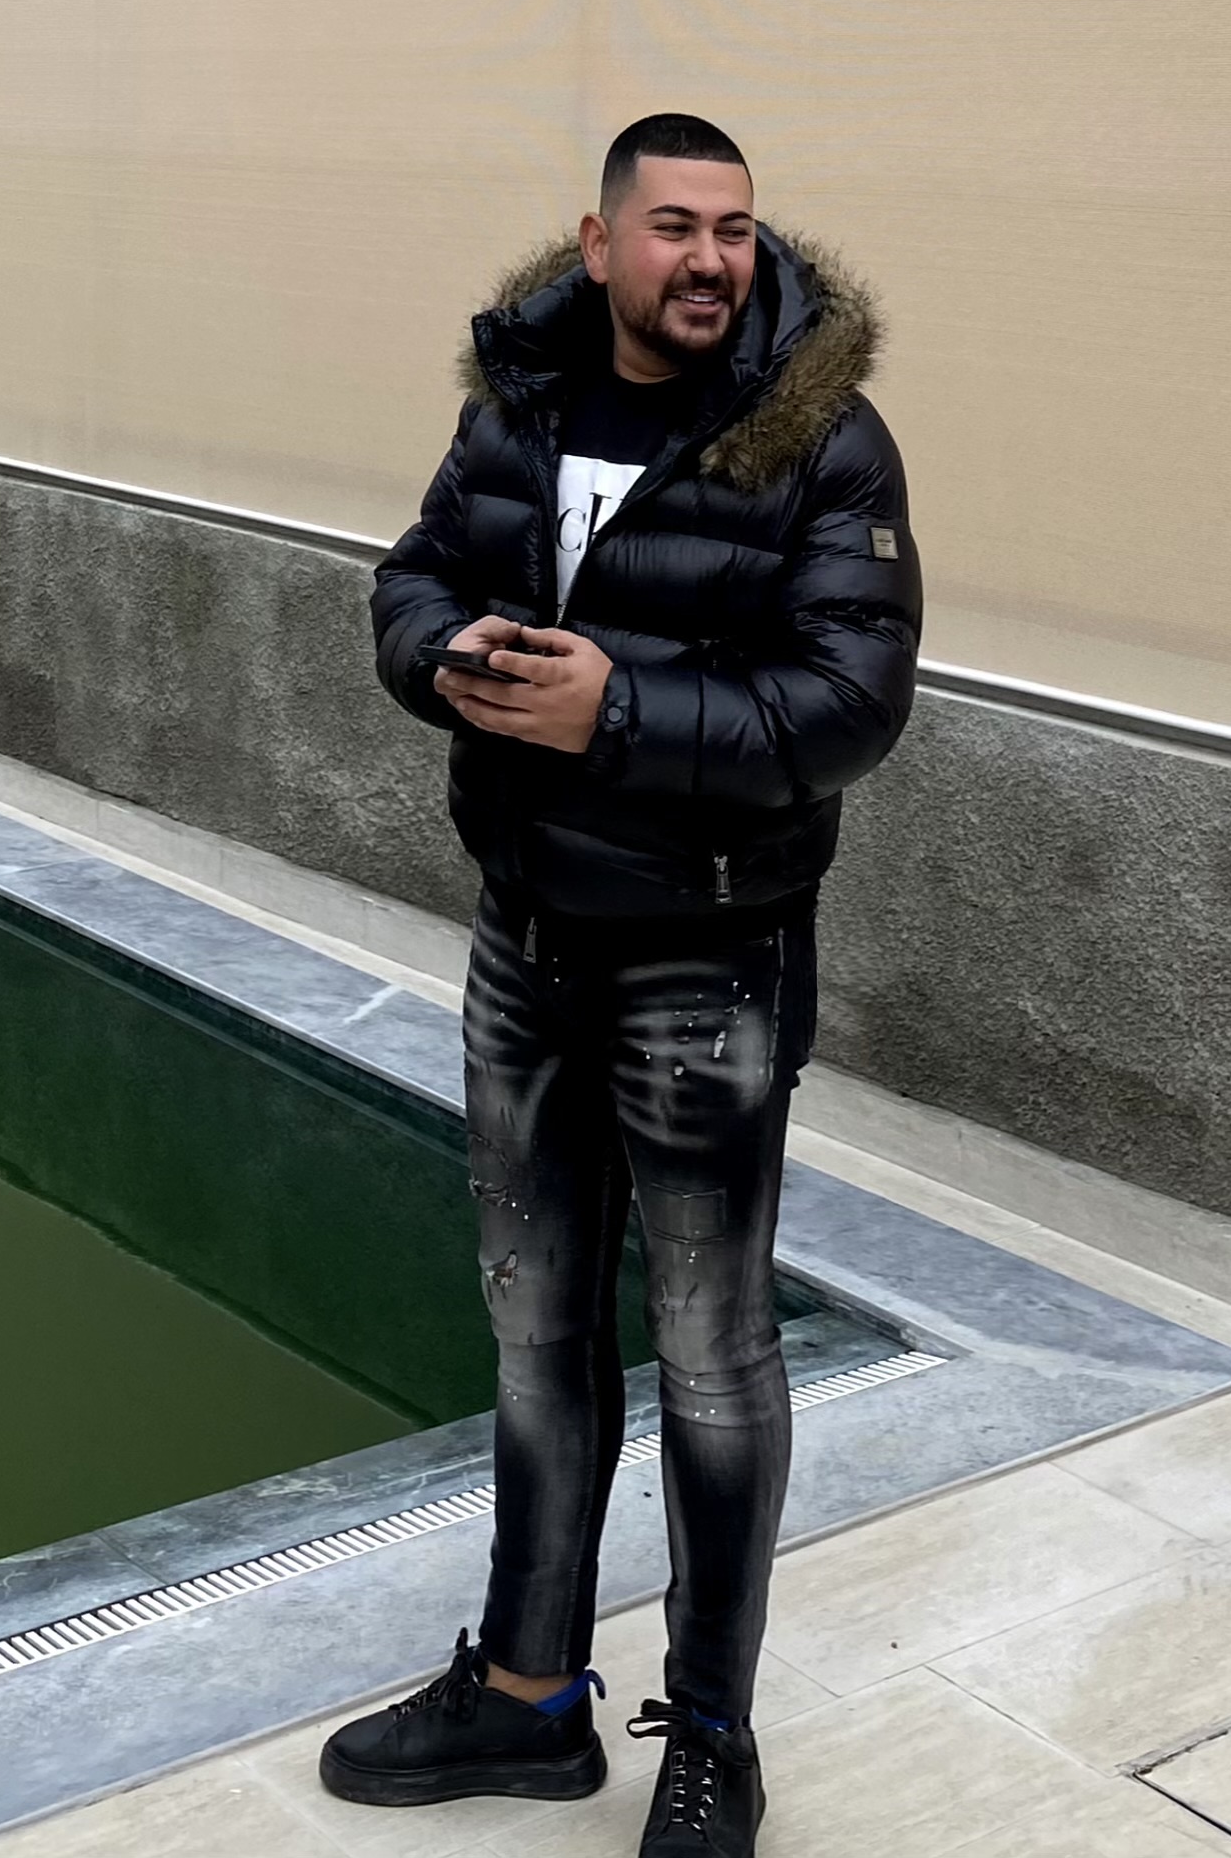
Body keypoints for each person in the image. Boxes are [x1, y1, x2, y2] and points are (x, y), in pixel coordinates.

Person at [320, 113, 920, 1853]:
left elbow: (849, 706)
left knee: (714, 1358)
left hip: (704, 963)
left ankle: (714, 1739)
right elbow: (414, 574)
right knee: (533, 1331)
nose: (709, 257)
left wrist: (618, 711)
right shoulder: (520, 402)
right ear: (599, 246)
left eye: (732, 226)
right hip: (524, 944)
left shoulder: (823, 437)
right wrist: (442, 653)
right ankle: (526, 1699)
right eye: (672, 225)